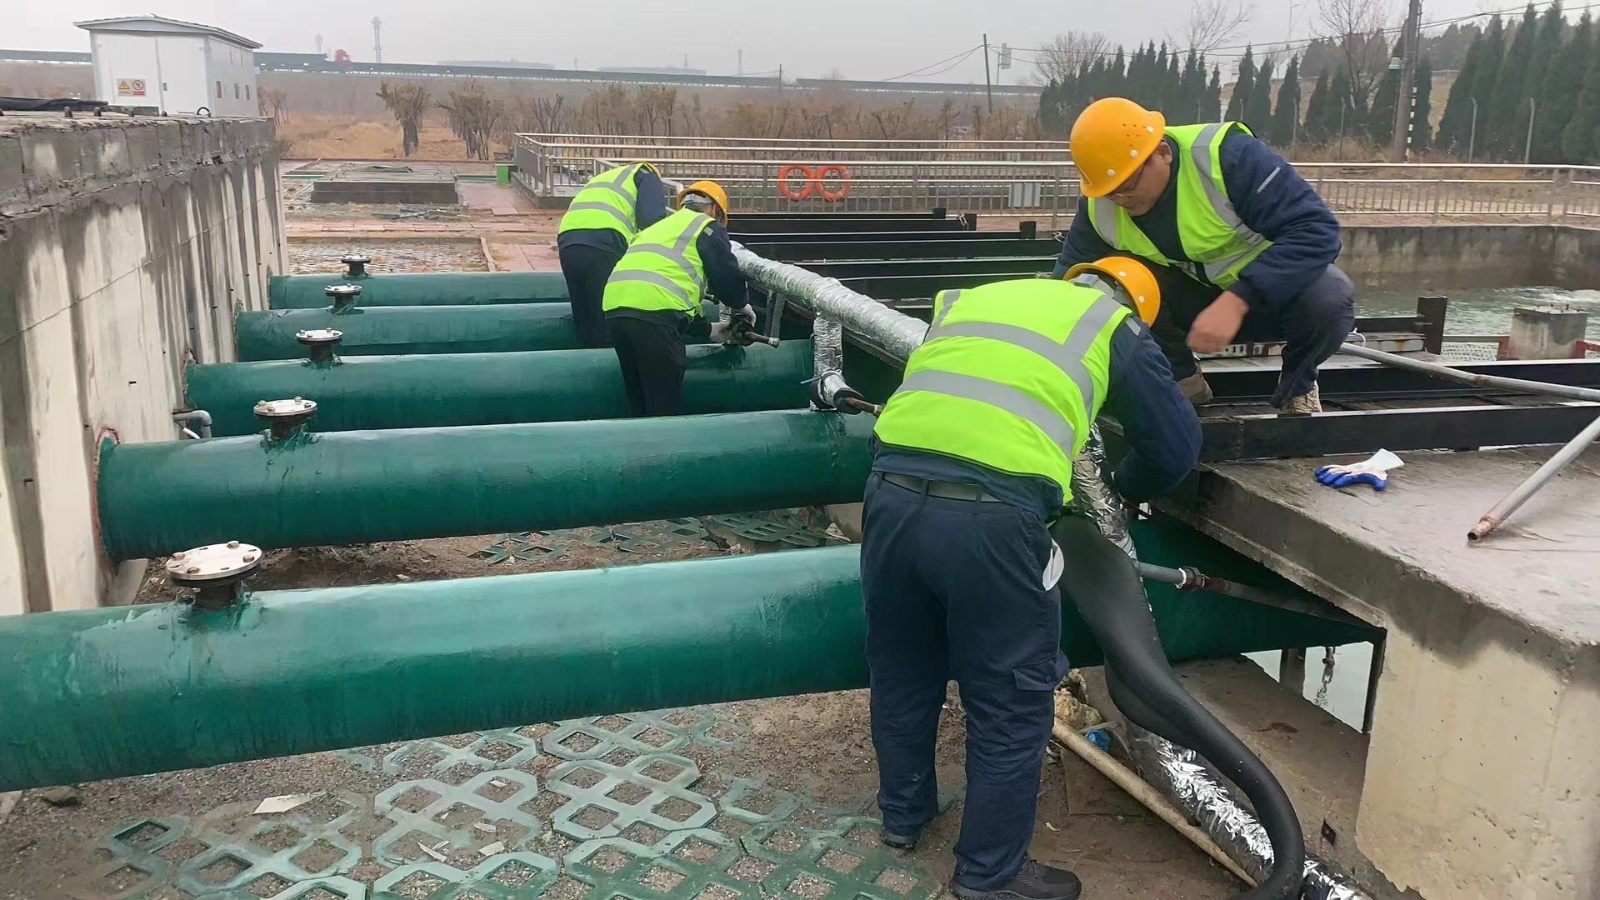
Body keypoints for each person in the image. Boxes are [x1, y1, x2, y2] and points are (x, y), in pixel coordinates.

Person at [861, 259, 1202, 900]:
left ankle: (903, 816)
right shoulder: (1113, 325)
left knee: (904, 668)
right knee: (1011, 699)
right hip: (992, 518)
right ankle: (989, 875)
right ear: (1135, 305)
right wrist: (1119, 491)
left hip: (889, 493)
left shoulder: (976, 297)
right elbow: (1176, 448)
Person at [1054, 97, 1355, 413]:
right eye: (1109, 191)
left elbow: (1315, 230)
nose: (1120, 199)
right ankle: (1182, 379)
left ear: (1163, 153)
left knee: (1329, 297)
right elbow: (1070, 278)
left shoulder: (1228, 159)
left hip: (1266, 301)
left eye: (1127, 185)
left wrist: (1238, 300)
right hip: (1190, 311)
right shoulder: (1099, 205)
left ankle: (1299, 385)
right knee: (1108, 282)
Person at [602, 180, 757, 417]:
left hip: (616, 309)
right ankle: (666, 440)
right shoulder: (706, 226)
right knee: (664, 403)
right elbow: (725, 275)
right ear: (715, 210)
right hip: (653, 314)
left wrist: (711, 330)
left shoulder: (658, 228)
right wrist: (742, 306)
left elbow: (671, 290)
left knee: (640, 398)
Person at [557, 161, 670, 348]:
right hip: (603, 241)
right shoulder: (647, 174)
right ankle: (609, 363)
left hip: (568, 241)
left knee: (584, 319)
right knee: (609, 316)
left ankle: (586, 360)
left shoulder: (607, 178)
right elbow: (652, 221)